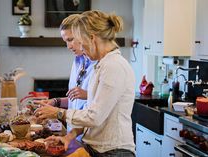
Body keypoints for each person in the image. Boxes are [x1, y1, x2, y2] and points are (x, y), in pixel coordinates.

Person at [35, 10, 136, 157]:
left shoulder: (113, 66)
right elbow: (90, 111)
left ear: (92, 38)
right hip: (96, 148)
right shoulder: (101, 65)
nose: (80, 49)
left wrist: (58, 112)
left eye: (81, 43)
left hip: (113, 151)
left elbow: (94, 117)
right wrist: (68, 137)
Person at [35, 14, 96, 136]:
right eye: (65, 41)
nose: (68, 46)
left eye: (70, 39)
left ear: (83, 35)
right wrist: (56, 102)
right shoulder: (78, 61)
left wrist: (88, 95)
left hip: (92, 138)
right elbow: (76, 101)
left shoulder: (101, 64)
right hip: (75, 135)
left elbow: (101, 107)